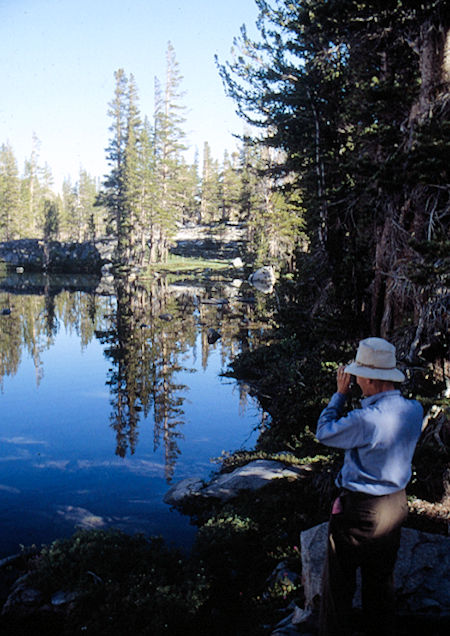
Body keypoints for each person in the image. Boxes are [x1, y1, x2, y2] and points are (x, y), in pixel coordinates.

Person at [315, 337, 423, 636]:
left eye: (359, 375)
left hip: (360, 509)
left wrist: (339, 395)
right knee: (380, 583)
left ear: (373, 380)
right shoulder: (414, 410)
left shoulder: (367, 419)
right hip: (395, 504)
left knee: (339, 585)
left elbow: (324, 433)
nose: (356, 380)